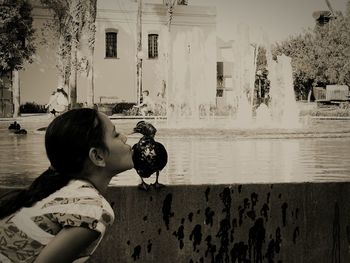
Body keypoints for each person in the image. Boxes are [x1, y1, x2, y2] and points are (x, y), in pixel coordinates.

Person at [0, 108, 134, 263]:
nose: (124, 137)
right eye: (116, 134)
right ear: (97, 156)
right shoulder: (90, 207)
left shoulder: (59, 190)